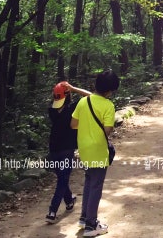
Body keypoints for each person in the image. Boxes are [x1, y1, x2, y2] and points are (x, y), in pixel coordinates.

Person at [71, 70, 119, 237]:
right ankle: (91, 225)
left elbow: (73, 124)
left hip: (83, 149)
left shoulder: (83, 102)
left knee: (89, 181)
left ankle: (84, 218)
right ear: (109, 91)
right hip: (98, 150)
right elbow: (108, 129)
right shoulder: (108, 106)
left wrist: (87, 126)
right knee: (96, 186)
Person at [46, 81, 91, 224]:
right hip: (66, 150)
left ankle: (69, 201)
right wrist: (73, 89)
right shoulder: (72, 108)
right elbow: (91, 96)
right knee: (62, 180)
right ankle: (52, 211)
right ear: (68, 95)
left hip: (53, 150)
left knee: (62, 179)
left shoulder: (51, 110)